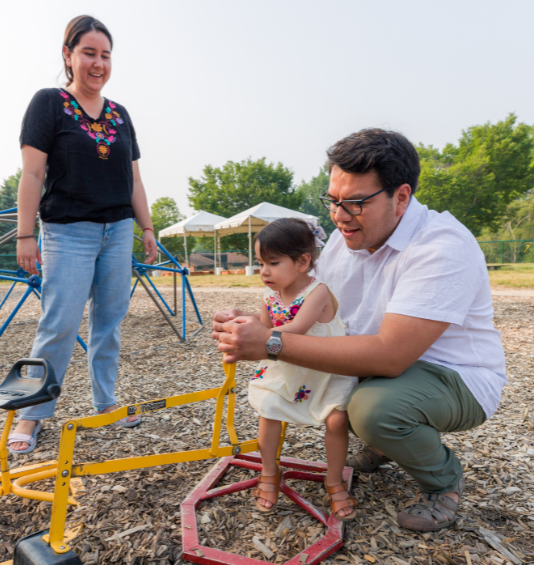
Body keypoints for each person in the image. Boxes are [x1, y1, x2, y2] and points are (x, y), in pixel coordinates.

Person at [213, 128, 507, 532]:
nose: (339, 215)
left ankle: (443, 481)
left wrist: (271, 343)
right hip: (379, 365)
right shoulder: (344, 238)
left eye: (354, 202)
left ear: (400, 196)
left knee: (372, 408)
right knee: (343, 389)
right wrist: (250, 320)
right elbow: (304, 299)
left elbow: (390, 355)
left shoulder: (442, 247)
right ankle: (388, 442)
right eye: (333, 201)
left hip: (454, 375)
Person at [9, 15, 158, 453]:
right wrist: (24, 235)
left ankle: (105, 404)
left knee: (108, 324)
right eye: (89, 53)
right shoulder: (49, 103)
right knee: (59, 324)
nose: (98, 63)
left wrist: (147, 228)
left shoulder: (120, 114)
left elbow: (134, 179)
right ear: (68, 56)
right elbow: (33, 175)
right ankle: (31, 415)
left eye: (105, 55)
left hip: (118, 231)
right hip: (68, 231)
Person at [242, 219, 359, 519]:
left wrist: (258, 334)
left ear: (303, 261)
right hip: (289, 369)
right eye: (260, 263)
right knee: (268, 411)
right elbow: (264, 328)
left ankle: (333, 479)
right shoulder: (269, 296)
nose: (264, 272)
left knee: (336, 420)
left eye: (273, 263)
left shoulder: (317, 291)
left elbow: (297, 328)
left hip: (326, 370)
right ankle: (269, 470)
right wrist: (241, 325)